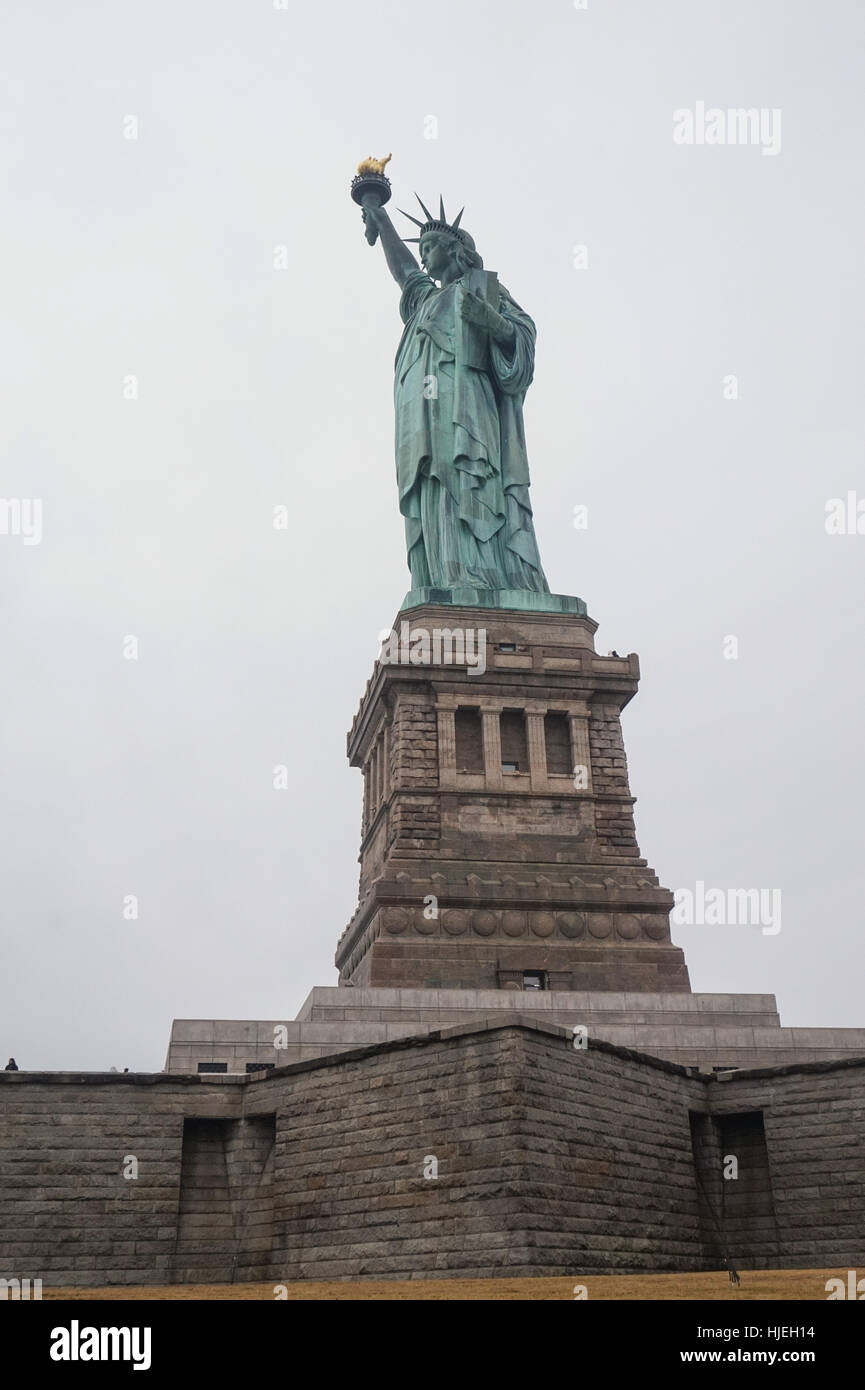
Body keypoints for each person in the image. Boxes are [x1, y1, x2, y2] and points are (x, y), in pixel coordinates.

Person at [361, 194, 549, 596]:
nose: (424, 256)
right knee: (433, 484)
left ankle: (483, 578)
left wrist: (493, 322)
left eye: (430, 247)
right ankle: (444, 577)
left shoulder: (481, 289)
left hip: (468, 406)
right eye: (423, 249)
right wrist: (381, 218)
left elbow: (522, 337)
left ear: (456, 250)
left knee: (466, 478)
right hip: (421, 418)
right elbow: (405, 271)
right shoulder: (426, 300)